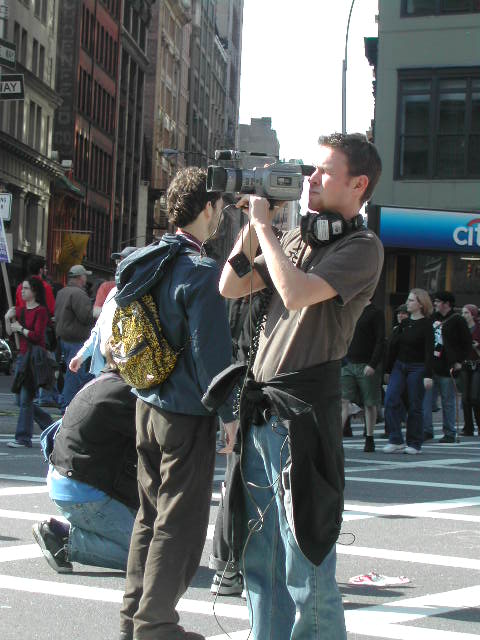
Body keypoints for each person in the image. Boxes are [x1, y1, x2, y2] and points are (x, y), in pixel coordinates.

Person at [217, 133, 384, 640]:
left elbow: (295, 294)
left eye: (323, 172)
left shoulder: (363, 248)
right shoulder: (296, 239)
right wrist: (252, 229)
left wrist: (268, 228)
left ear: (358, 184)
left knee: (306, 564)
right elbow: (231, 284)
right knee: (260, 561)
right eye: (309, 170)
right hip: (261, 412)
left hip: (303, 416)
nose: (310, 179)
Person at [117, 167, 237, 640]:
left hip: (145, 402)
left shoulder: (143, 261)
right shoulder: (201, 270)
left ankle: (133, 621)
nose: (221, 217)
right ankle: (157, 625)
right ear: (207, 209)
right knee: (180, 522)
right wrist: (229, 415)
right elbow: (212, 353)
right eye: (220, 209)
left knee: (148, 516)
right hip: (185, 411)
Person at [32, 339, 137, 573]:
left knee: (145, 537)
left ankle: (73, 533)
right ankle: (64, 543)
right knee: (145, 555)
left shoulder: (103, 382)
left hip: (73, 479)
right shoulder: (123, 393)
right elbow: (154, 439)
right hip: (82, 488)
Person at [69, 247, 138, 377]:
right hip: (105, 368)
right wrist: (81, 356)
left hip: (128, 372)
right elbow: (98, 329)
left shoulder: (143, 296)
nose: (119, 267)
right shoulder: (113, 292)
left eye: (124, 262)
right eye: (118, 263)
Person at [4, 278, 54, 447]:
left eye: (25, 288)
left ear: (34, 291)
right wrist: (7, 319)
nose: (22, 291)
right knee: (20, 400)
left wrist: (21, 329)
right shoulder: (20, 310)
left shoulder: (41, 311)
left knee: (25, 399)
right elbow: (10, 333)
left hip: (33, 360)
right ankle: (48, 422)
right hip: (22, 358)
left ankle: (23, 438)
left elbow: (37, 335)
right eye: (21, 288)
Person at [383, 289, 433, 454]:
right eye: (408, 299)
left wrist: (428, 375)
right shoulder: (403, 324)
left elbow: (428, 351)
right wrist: (388, 369)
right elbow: (393, 348)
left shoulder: (426, 325)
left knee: (414, 405)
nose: (408, 303)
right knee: (390, 399)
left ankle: (414, 442)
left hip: (417, 367)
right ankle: (396, 439)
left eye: (411, 300)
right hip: (400, 365)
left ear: (421, 304)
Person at [423, 291, 472, 443]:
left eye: (437, 301)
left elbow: (467, 343)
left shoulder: (457, 320)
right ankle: (426, 430)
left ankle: (450, 432)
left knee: (448, 401)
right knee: (426, 400)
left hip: (448, 366)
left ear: (446, 303)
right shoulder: (432, 318)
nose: (435, 304)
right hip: (432, 365)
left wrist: (459, 361)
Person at [341, 300, 385, 452]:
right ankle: (337, 437)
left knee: (369, 403)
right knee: (343, 401)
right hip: (348, 363)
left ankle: (369, 437)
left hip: (366, 363)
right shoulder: (350, 310)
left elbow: (380, 340)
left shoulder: (375, 313)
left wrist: (373, 364)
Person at [54, 264, 94, 412]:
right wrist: (95, 312)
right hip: (77, 340)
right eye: (84, 276)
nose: (86, 278)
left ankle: (67, 401)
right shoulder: (79, 294)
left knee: (73, 374)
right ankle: (67, 405)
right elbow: (86, 317)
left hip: (64, 339)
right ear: (80, 278)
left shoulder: (62, 292)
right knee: (75, 374)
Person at [93, 247, 137, 318]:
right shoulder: (108, 288)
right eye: (118, 261)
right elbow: (96, 313)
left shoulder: (143, 289)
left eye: (123, 262)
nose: (119, 265)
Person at [459, 304, 480, 436]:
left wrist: (477, 346)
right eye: (463, 313)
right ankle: (468, 427)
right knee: (465, 398)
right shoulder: (461, 329)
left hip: (477, 363)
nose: (464, 315)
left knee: (474, 397)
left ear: (473, 314)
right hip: (465, 364)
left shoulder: (478, 328)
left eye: (466, 313)